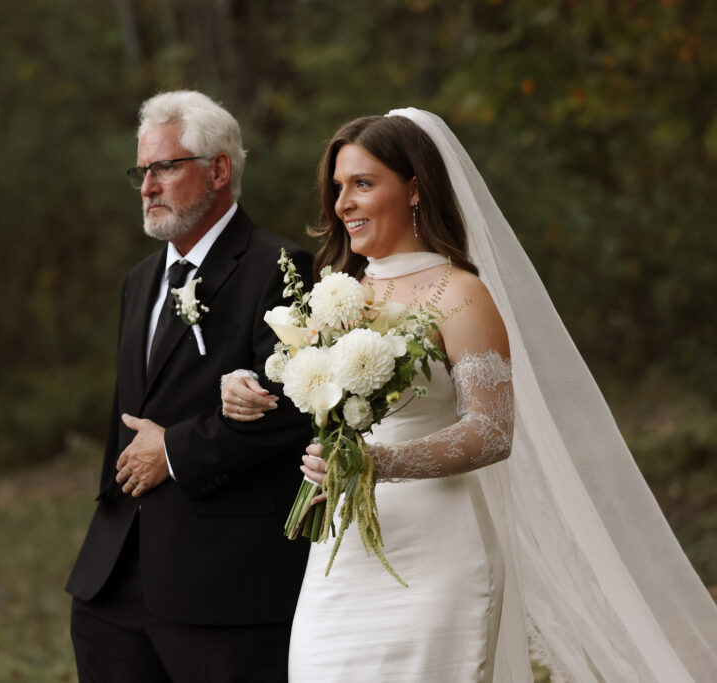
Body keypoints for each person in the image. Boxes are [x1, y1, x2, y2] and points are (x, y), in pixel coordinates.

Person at [222, 110, 717, 681]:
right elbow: (322, 399)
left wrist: (378, 462)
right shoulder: (338, 290)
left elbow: (491, 431)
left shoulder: (459, 293)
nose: (343, 204)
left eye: (362, 183)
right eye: (338, 188)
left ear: (413, 189)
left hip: (438, 553)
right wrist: (251, 388)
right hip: (341, 554)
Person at [66, 90, 314, 683]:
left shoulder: (280, 268)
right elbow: (130, 413)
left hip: (223, 587)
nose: (147, 186)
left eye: (165, 167)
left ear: (219, 170)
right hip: (114, 583)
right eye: (141, 171)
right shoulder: (140, 281)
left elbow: (295, 407)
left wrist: (173, 451)